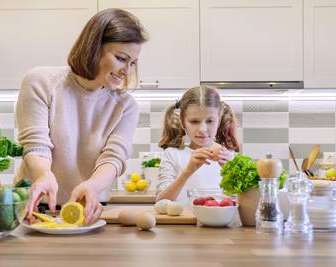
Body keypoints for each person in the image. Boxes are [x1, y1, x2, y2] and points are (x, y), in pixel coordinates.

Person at [15, 8, 148, 224]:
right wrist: (43, 175)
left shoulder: (126, 106)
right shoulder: (41, 82)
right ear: (93, 48)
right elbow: (36, 145)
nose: (127, 71)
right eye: (121, 58)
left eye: (133, 63)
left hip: (88, 208)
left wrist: (93, 185)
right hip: (36, 207)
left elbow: (113, 158)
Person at [156, 85, 239, 204]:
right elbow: (161, 201)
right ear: (183, 122)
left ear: (219, 120)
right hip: (183, 222)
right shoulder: (172, 155)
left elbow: (245, 200)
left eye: (210, 121)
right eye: (194, 121)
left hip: (221, 222)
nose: (203, 129)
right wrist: (187, 171)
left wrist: (231, 172)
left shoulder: (231, 158)